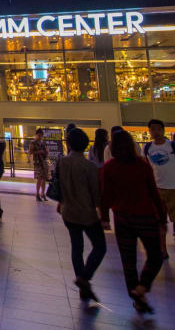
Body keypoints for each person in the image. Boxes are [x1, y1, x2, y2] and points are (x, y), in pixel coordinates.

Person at [101, 129, 166, 315]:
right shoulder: (142, 165)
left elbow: (105, 195)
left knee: (128, 261)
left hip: (122, 218)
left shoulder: (110, 167)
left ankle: (137, 295)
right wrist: (162, 218)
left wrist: (104, 217)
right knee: (155, 255)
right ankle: (142, 289)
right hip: (145, 216)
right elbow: (154, 193)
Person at [58, 128, 105, 303]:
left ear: (68, 144)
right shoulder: (89, 167)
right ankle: (84, 277)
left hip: (68, 212)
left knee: (76, 248)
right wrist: (102, 213)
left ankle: (82, 283)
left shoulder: (62, 162)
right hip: (86, 213)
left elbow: (59, 186)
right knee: (100, 246)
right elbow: (96, 193)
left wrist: (61, 202)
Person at [143, 119, 175, 258]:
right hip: (157, 189)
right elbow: (146, 169)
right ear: (149, 131)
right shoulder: (147, 148)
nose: (155, 132)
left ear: (163, 130)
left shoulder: (174, 146)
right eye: (152, 129)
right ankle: (162, 248)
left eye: (158, 129)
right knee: (160, 221)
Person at [28, 128, 49, 201]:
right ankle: (37, 194)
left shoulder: (43, 143)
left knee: (44, 178)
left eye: (41, 136)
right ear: (36, 135)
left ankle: (43, 193)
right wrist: (38, 152)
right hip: (37, 163)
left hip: (44, 162)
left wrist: (46, 152)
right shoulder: (33, 143)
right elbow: (30, 152)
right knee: (39, 178)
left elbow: (46, 152)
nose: (40, 137)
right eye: (39, 135)